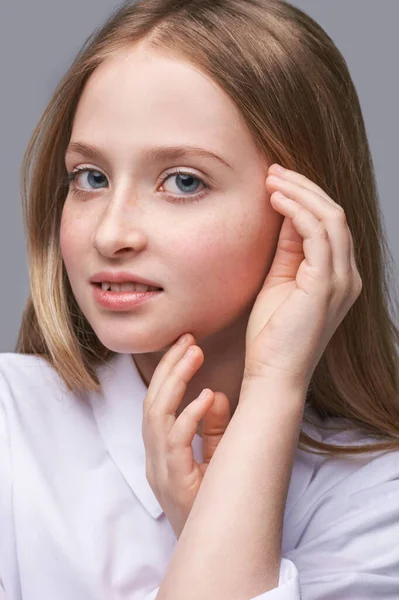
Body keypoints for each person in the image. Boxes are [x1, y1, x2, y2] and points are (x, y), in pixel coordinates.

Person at [1, 0, 398, 597]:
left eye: (183, 182)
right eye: (91, 177)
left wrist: (270, 396)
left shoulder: (377, 492)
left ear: (304, 214)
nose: (111, 233)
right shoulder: (11, 425)